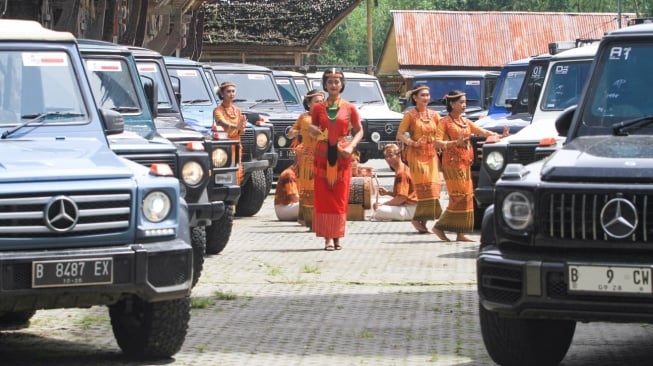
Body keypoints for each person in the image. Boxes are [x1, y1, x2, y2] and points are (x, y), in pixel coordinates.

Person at [433, 90, 508, 241]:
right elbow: (437, 142)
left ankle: (461, 233)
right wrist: (455, 143)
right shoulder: (444, 122)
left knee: (468, 196)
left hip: (465, 163)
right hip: (452, 165)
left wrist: (499, 136)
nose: (464, 105)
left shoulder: (465, 122)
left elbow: (482, 131)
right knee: (459, 197)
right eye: (461, 102)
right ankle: (439, 227)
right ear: (452, 104)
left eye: (465, 102)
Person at [308, 68, 364, 251]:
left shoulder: (349, 107)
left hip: (342, 154)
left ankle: (338, 235)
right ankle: (327, 238)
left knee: (340, 196)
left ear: (342, 85)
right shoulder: (318, 108)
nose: (333, 85)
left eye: (337, 81)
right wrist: (312, 130)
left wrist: (351, 146)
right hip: (323, 154)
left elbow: (359, 130)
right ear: (325, 84)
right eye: (330, 81)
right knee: (324, 196)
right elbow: (312, 128)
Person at [396, 85, 444, 235]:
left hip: (432, 155)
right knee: (424, 190)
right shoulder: (410, 115)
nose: (426, 98)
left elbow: (443, 130)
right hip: (416, 155)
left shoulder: (435, 115)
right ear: (415, 98)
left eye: (428, 95)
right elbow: (400, 134)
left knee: (435, 190)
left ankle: (422, 220)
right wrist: (412, 143)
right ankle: (418, 220)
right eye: (422, 95)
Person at [288, 89, 324, 229]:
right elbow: (292, 132)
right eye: (317, 101)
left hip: (323, 156)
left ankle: (320, 218)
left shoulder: (327, 116)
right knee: (308, 188)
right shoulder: (304, 118)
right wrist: (295, 132)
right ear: (309, 104)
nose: (320, 103)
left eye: (322, 101)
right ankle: (309, 219)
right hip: (308, 157)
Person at [371, 144, 418, 222]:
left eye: (390, 156)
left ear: (399, 155)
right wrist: (388, 193)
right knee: (373, 202)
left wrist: (384, 204)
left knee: (379, 209)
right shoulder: (402, 168)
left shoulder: (402, 173)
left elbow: (402, 198)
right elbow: (403, 195)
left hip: (410, 209)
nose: (388, 159)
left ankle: (381, 215)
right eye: (386, 157)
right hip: (408, 205)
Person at [213, 81, 247, 184]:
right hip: (223, 146)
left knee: (236, 171)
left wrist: (242, 127)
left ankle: (235, 195)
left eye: (233, 91)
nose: (231, 94)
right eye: (228, 91)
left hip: (236, 144)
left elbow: (241, 131)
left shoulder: (237, 110)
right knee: (224, 171)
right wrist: (236, 126)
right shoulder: (217, 110)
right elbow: (223, 123)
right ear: (222, 94)